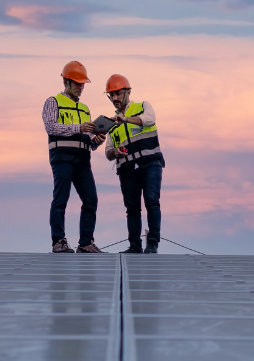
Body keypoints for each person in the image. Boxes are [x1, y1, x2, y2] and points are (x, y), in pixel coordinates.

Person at [44, 61, 106, 253]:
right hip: (62, 158)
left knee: (91, 199)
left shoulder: (85, 109)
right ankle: (59, 241)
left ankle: (85, 243)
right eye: (77, 83)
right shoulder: (53, 102)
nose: (81, 87)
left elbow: (89, 141)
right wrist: (78, 128)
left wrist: (97, 140)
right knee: (61, 199)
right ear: (66, 81)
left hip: (82, 160)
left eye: (82, 84)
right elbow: (51, 127)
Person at [103, 74, 164, 254]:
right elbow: (108, 151)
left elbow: (150, 119)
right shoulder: (110, 124)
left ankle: (152, 244)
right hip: (127, 169)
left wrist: (126, 119)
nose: (115, 98)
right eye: (111, 95)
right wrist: (115, 152)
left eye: (118, 93)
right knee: (132, 208)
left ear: (128, 92)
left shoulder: (143, 106)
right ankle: (135, 246)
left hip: (150, 163)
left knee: (152, 201)